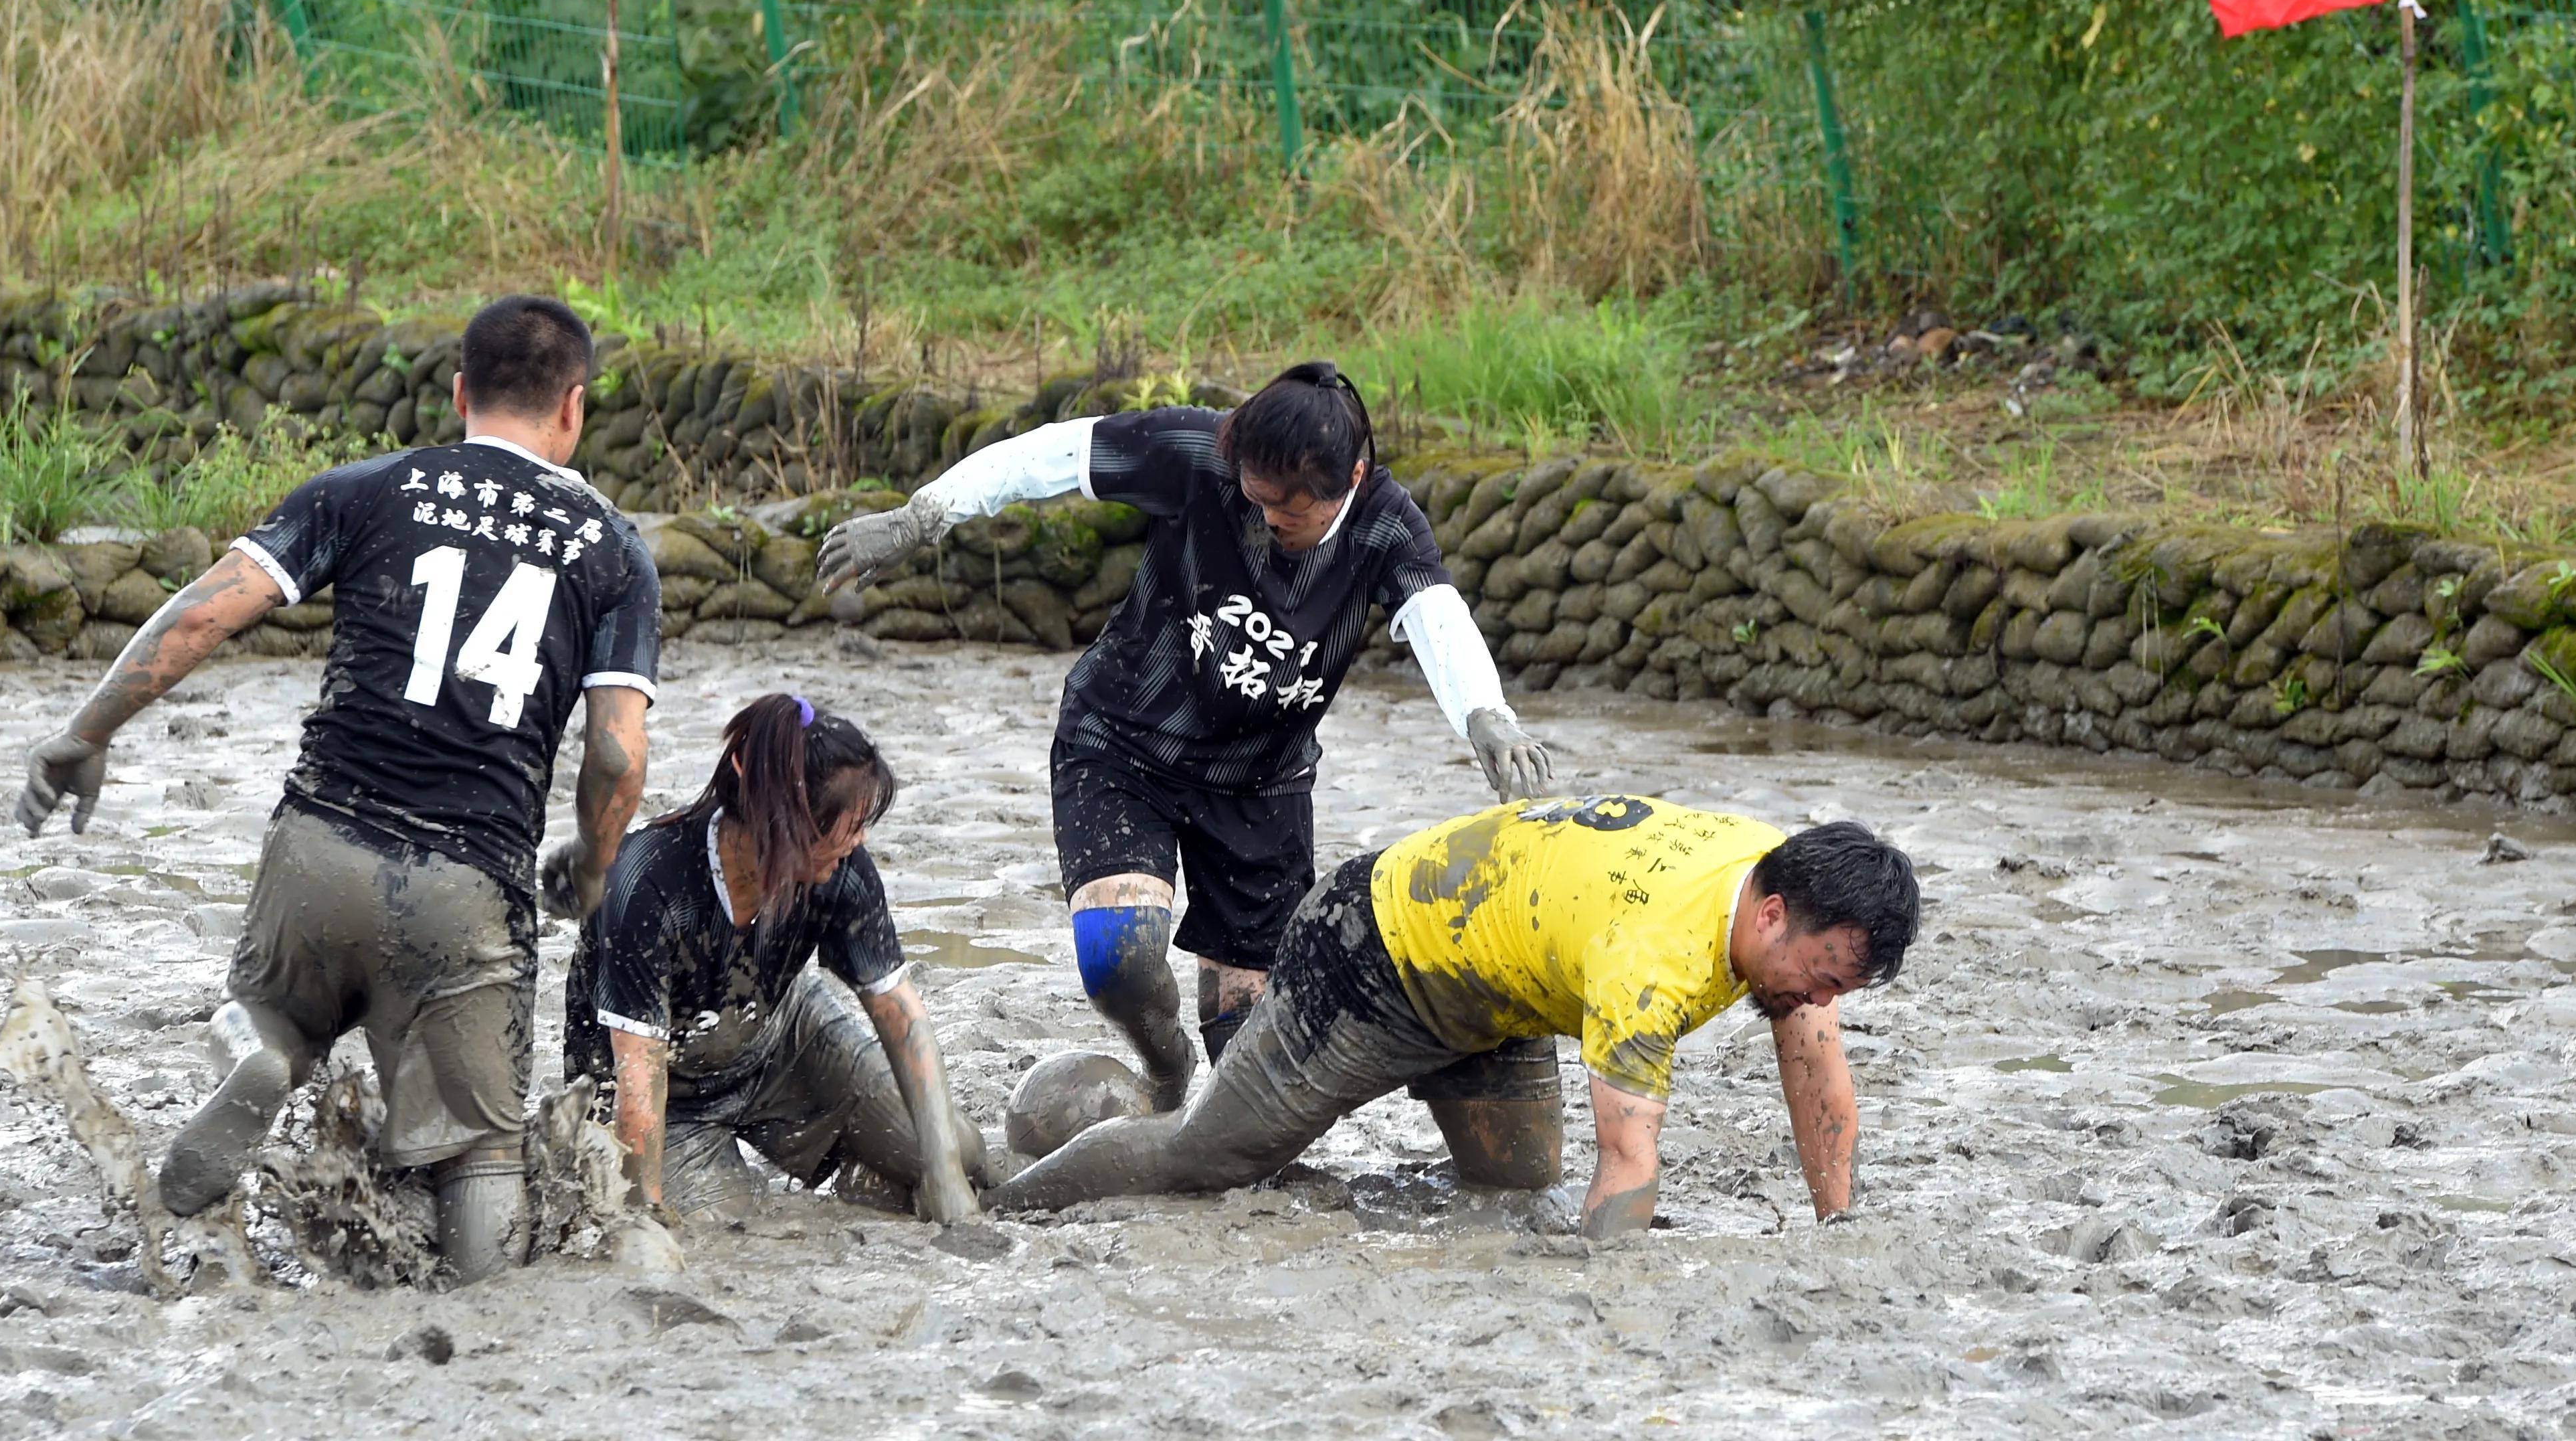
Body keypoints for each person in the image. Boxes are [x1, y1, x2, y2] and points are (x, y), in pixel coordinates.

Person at [13, 294, 660, 1283]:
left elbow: (197, 619)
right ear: (573, 409)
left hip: (319, 847)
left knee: (265, 1009)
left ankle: (260, 1053)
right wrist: (593, 859)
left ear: (458, 395)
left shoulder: (366, 490)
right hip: (470, 888)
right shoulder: (612, 552)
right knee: (482, 1173)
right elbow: (617, 756)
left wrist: (82, 734)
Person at [818, 363, 1555, 1118]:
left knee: (1253, 1058)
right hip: (1123, 741)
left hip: (1259, 784)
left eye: (1288, 510)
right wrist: (920, 515)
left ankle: (1210, 1107)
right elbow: (1053, 455)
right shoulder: (1199, 454)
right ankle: (1165, 1070)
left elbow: (1434, 614)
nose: (1265, 519)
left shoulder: (1384, 524)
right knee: (1122, 964)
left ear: (1352, 478)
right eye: (1255, 497)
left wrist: (1485, 716)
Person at [988, 798, 1921, 1239]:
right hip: (1374, 952)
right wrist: (1610, 1302)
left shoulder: (1784, 869)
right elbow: (1628, 1171)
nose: (1821, 1001)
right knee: (1209, 1157)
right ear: (1770, 917)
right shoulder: (1654, 967)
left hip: (1502, 990)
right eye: (1823, 976)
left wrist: (1835, 1227)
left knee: (1514, 1190)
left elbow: (1813, 1063)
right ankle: (994, 1197)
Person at [563, 692, 993, 1225]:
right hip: (662, 1093)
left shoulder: (842, 868)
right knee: (723, 1235)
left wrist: (945, 1174)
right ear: (784, 824)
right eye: (848, 827)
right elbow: (638, 1081)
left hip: (775, 1036)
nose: (858, 843)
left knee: (958, 1148)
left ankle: (868, 1175)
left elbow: (898, 1014)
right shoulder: (647, 883)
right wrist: (643, 1220)